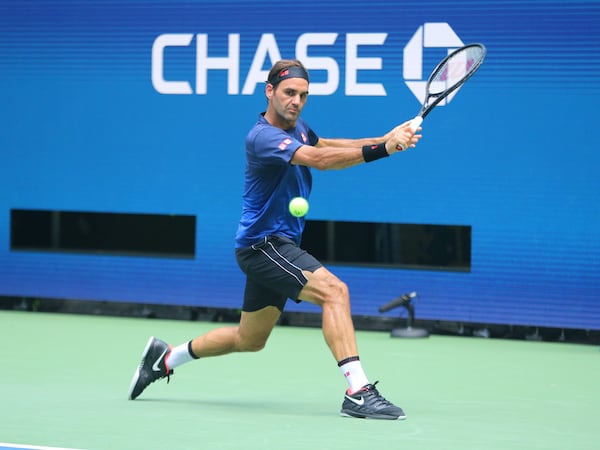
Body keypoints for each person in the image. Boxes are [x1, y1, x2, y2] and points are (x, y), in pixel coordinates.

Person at [128, 59, 422, 420]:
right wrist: (383, 149)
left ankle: (165, 357)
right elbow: (320, 159)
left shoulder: (298, 128)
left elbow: (327, 143)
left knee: (249, 340)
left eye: (303, 95)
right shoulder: (262, 136)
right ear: (270, 91)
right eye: (289, 93)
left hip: (274, 247)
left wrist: (385, 136)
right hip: (263, 245)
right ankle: (358, 392)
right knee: (335, 291)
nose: (296, 101)